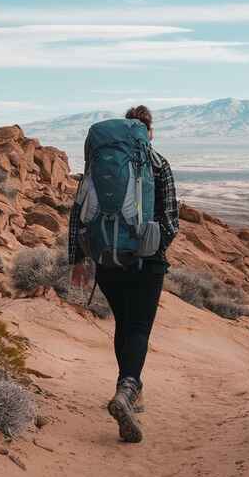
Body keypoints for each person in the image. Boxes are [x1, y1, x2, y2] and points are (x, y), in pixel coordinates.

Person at [69, 105, 179, 443]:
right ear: (149, 132)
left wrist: (78, 259)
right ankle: (127, 389)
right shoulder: (158, 164)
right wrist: (154, 246)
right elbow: (172, 220)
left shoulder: (97, 161)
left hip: (105, 258)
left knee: (123, 324)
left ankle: (132, 389)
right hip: (146, 261)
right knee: (139, 327)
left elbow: (78, 212)